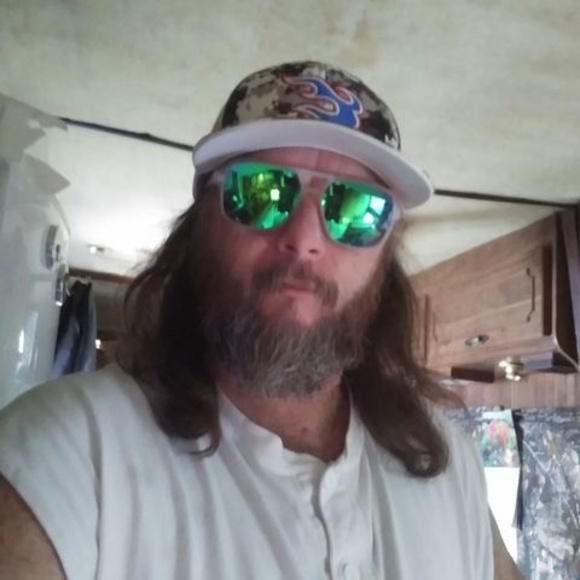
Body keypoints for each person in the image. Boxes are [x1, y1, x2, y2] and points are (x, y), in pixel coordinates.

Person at [0, 61, 521, 579]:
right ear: (201, 226)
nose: (305, 238)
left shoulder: (449, 464)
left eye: (356, 207)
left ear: (385, 254)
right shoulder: (65, 454)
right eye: (262, 190)